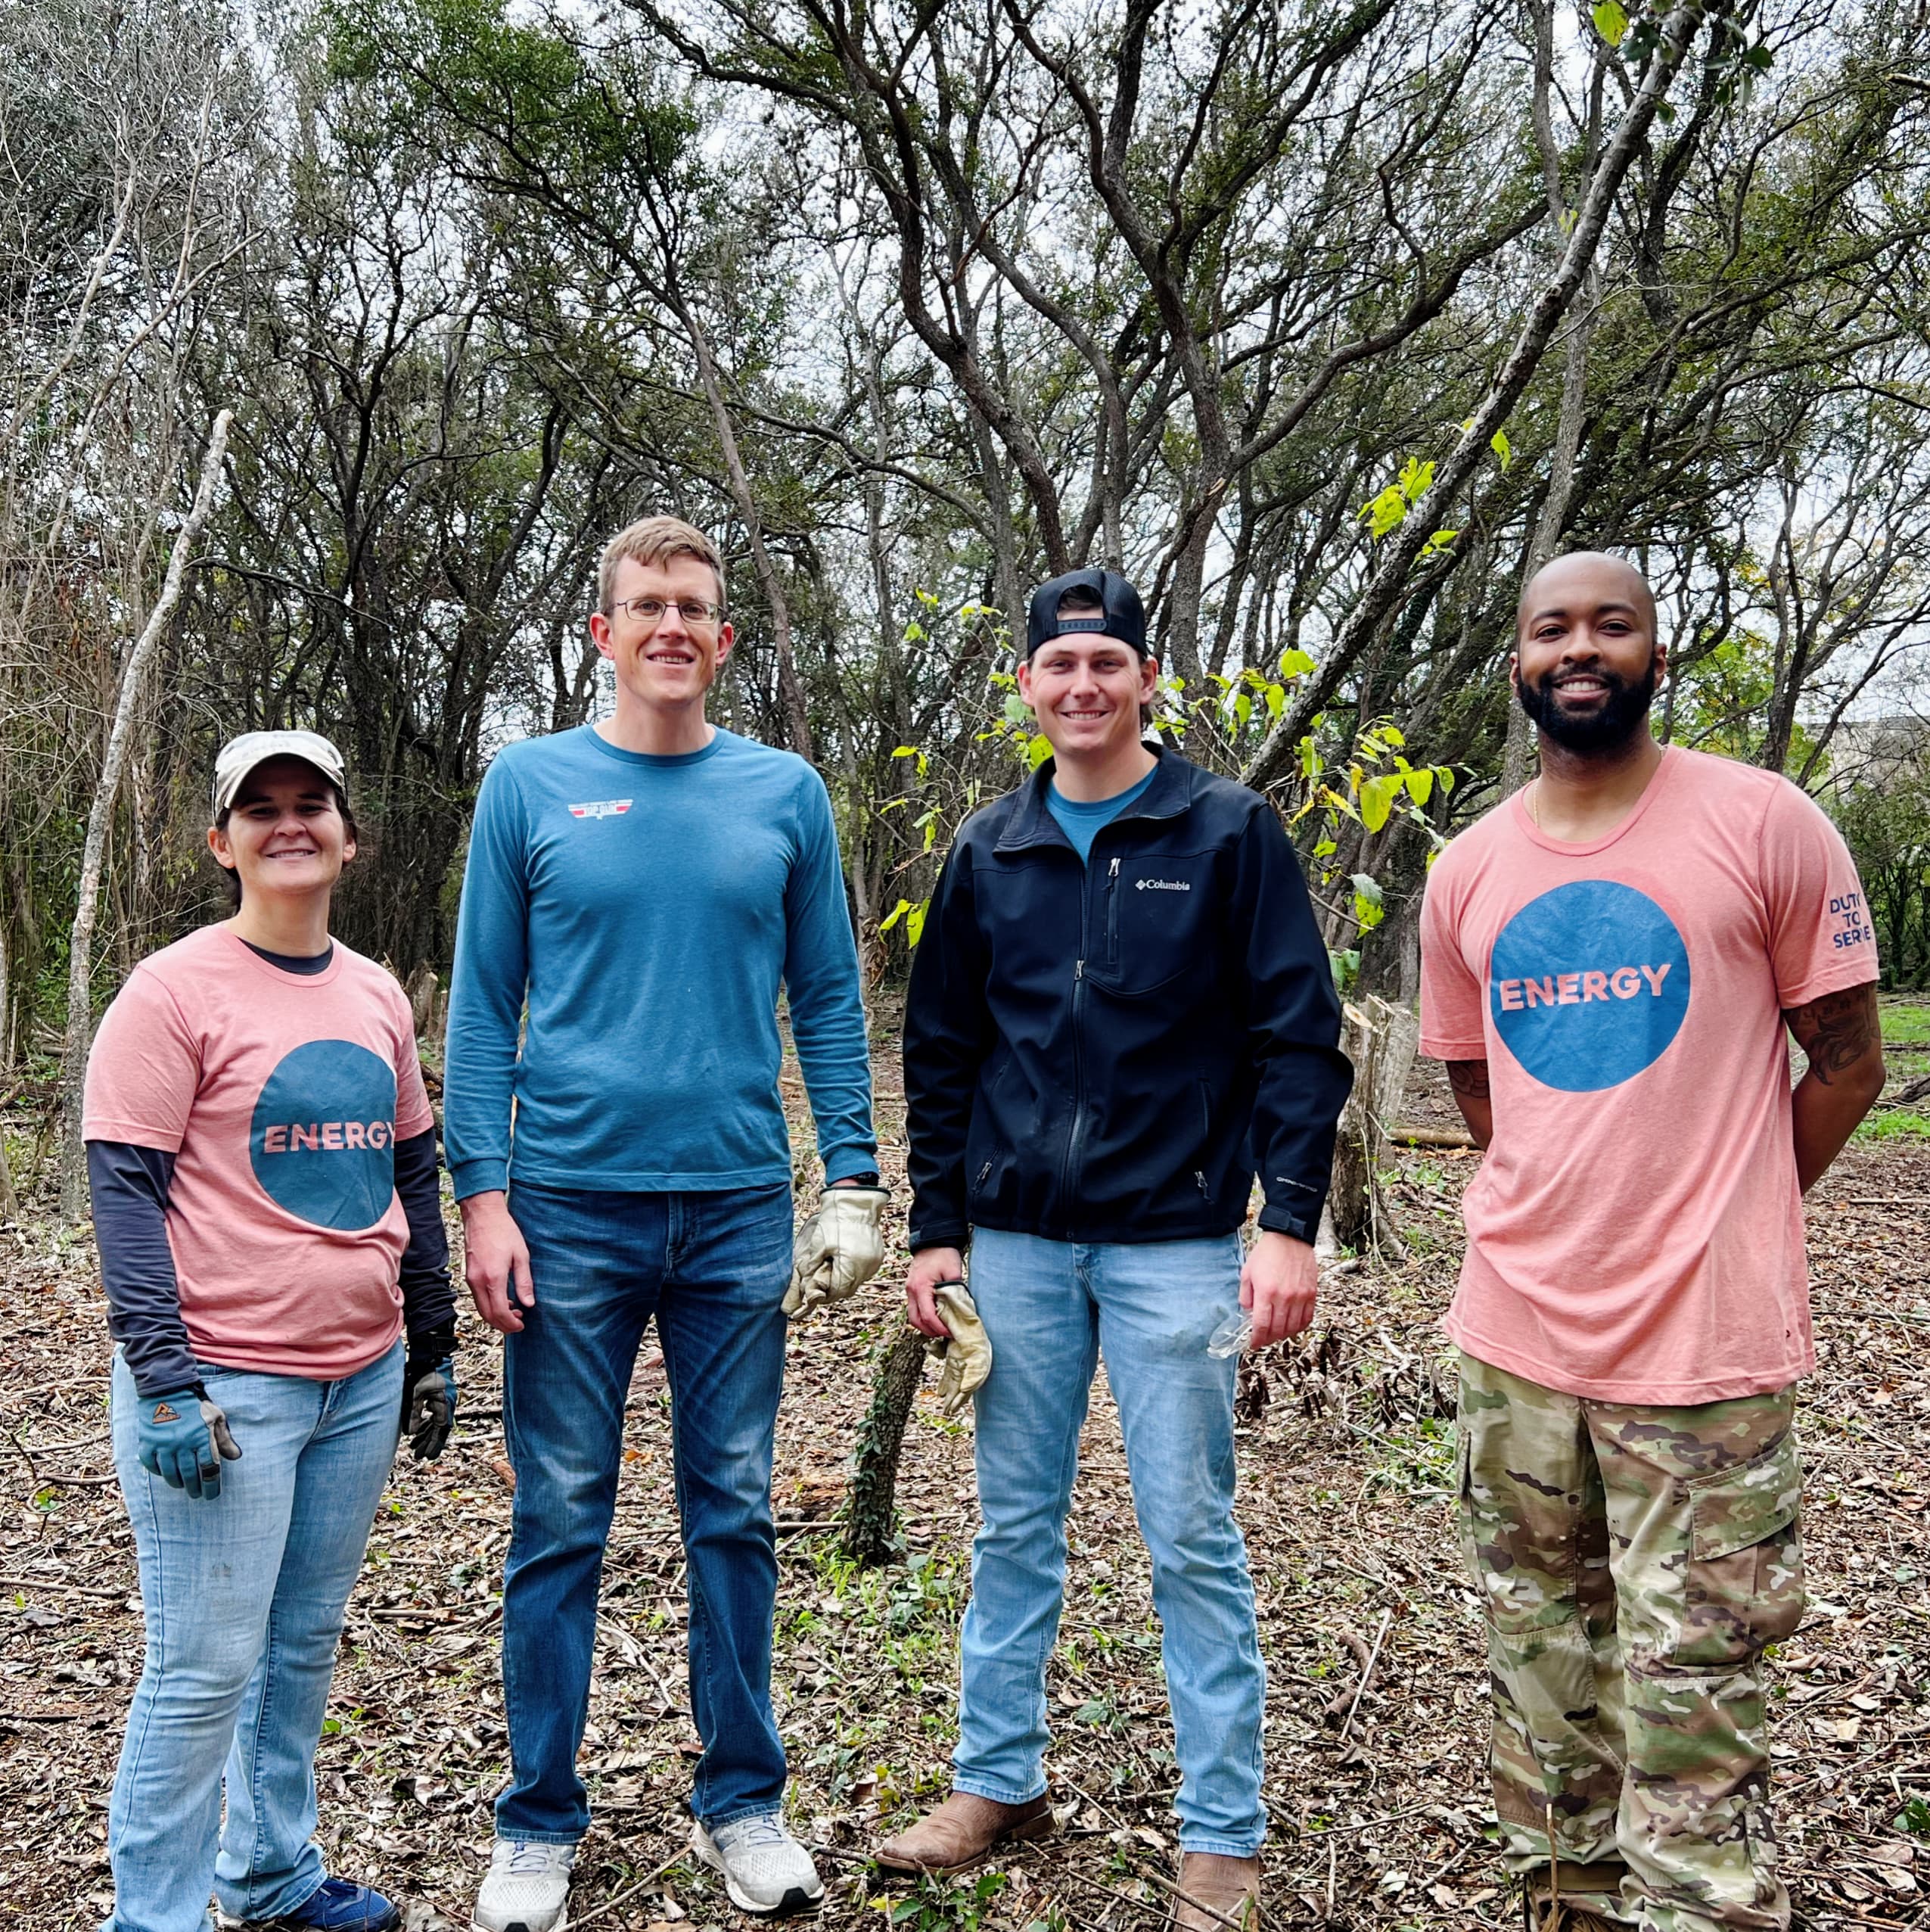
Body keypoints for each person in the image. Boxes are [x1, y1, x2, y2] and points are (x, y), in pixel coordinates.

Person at [1419, 552, 1885, 1932]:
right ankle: (1567, 1901)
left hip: (1705, 1353)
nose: (1581, 648)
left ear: (1655, 652)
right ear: (1516, 660)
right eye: (1551, 627)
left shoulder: (1765, 823)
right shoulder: (1471, 867)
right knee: (1541, 1666)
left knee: (1695, 1691)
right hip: (1516, 1340)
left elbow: (1849, 1061)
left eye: (1610, 624)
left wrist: (1732, 1205)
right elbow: (1479, 1084)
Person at [884, 568, 1353, 1929]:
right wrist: (934, 1224)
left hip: (1178, 1246)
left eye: (1107, 662)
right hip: (1018, 1246)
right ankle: (996, 1779)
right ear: (1027, 687)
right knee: (1011, 1526)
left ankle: (1223, 1832)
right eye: (1058, 665)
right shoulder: (991, 847)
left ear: (1148, 678)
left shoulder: (1226, 830)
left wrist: (1290, 1220)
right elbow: (944, 1049)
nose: (1082, 685)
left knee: (1190, 1535)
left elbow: (1297, 1036)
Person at [445, 515, 885, 1930]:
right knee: (559, 1514)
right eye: (645, 606)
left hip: (738, 1209)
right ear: (601, 632)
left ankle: (742, 1802)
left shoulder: (786, 795)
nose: (671, 626)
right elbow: (476, 1007)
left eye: (694, 607)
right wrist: (482, 1195)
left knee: (734, 1512)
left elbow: (825, 997)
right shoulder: (532, 785)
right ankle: (536, 1821)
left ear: (724, 637)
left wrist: (856, 1179)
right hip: (567, 1207)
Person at [84, 730, 458, 1932]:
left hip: (357, 1375)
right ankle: (153, 1914)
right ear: (221, 840)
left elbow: (410, 1163)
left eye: (313, 805)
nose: (288, 824)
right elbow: (123, 1187)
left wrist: (432, 1334)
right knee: (201, 1672)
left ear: (349, 836)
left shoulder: (375, 992)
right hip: (222, 1389)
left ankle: (271, 1872)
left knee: (297, 1649)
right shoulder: (174, 988)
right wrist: (164, 1379)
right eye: (262, 808)